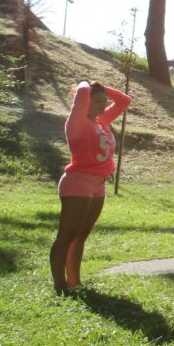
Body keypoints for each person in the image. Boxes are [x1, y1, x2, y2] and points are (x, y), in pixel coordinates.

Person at [52, 80, 131, 294]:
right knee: (67, 235)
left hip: (98, 183)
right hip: (78, 181)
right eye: (97, 101)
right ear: (84, 102)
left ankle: (75, 283)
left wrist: (103, 88)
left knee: (82, 234)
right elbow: (82, 93)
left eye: (104, 102)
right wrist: (85, 83)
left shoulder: (101, 121)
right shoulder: (77, 122)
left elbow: (124, 101)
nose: (103, 105)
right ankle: (60, 286)